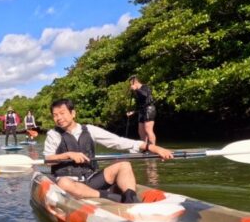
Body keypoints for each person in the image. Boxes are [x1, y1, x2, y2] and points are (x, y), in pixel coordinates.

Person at [44, 98, 173, 203]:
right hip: (68, 182)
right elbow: (48, 160)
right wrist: (68, 155)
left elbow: (118, 142)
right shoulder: (53, 135)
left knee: (124, 164)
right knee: (63, 183)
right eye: (55, 115)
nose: (59, 118)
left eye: (62, 113)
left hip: (91, 179)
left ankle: (130, 198)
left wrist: (151, 147)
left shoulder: (89, 130)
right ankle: (108, 196)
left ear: (73, 113)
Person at [127, 76, 157, 147]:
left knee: (148, 129)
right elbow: (139, 104)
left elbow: (145, 95)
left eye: (131, 84)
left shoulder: (145, 87)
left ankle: (153, 147)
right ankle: (145, 147)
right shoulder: (137, 91)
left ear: (136, 82)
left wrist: (136, 90)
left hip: (149, 109)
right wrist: (133, 111)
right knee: (140, 131)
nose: (131, 86)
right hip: (142, 110)